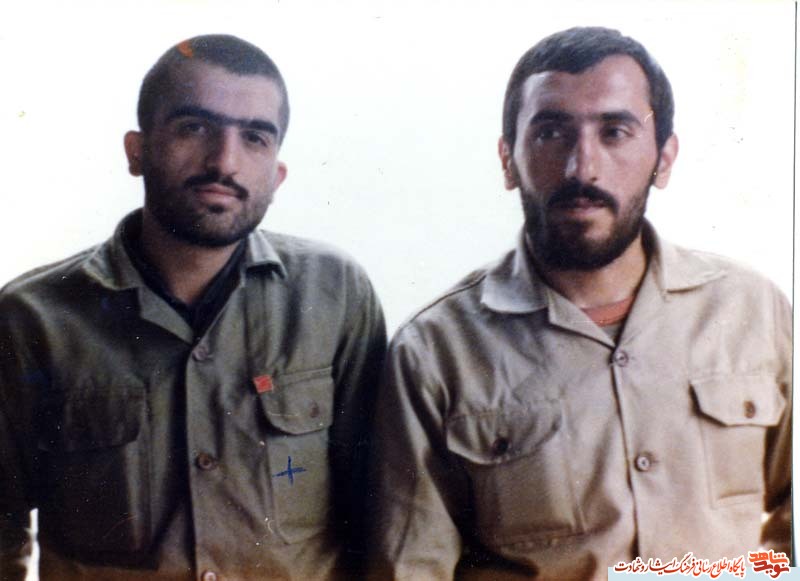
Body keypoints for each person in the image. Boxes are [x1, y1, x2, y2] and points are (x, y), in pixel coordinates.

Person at [367, 26, 791, 580]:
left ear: (664, 159)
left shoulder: (752, 309)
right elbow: (411, 569)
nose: (582, 167)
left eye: (615, 132)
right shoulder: (435, 351)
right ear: (508, 159)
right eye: (551, 133)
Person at [0, 34, 385, 581]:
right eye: (194, 127)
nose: (224, 161)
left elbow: (380, 511)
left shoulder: (335, 295)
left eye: (254, 137)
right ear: (136, 151)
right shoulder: (32, 319)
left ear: (276, 173)